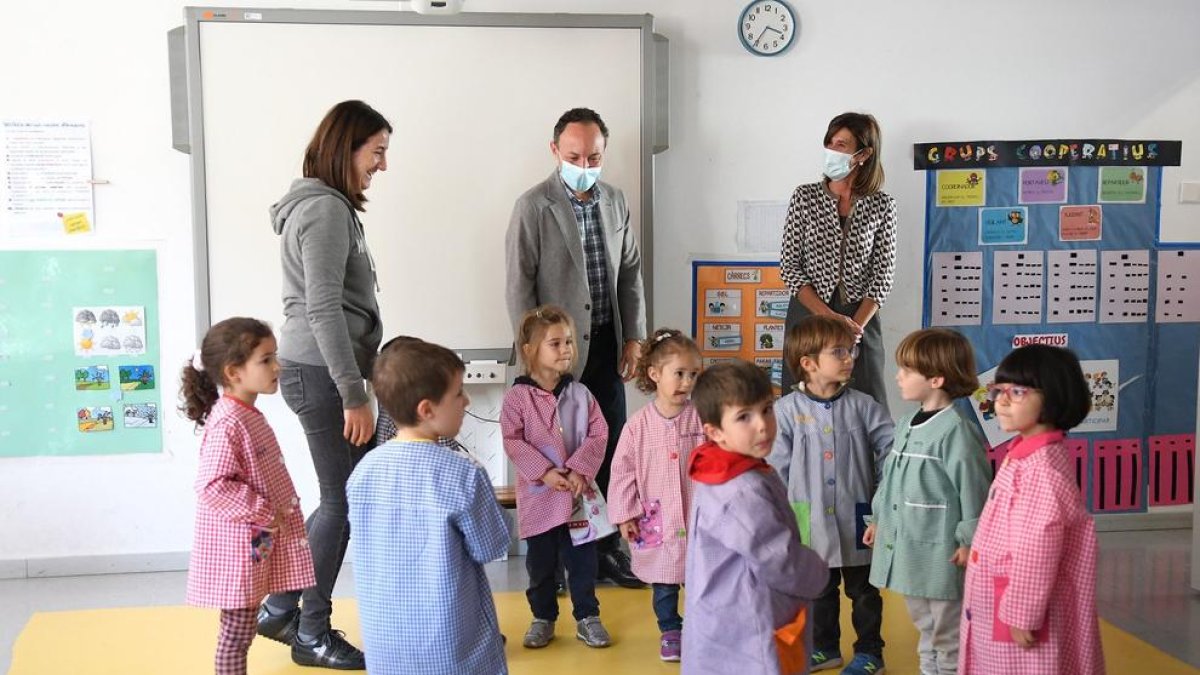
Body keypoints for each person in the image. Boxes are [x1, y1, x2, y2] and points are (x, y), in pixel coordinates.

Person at [258, 99, 392, 670]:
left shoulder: (323, 207)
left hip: (319, 371)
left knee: (338, 500)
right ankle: (311, 631)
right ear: (347, 148)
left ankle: (281, 605)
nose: (382, 165)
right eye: (377, 152)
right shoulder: (325, 212)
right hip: (323, 375)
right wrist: (353, 392)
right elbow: (323, 310)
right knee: (343, 502)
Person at [505, 107, 646, 588]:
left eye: (593, 156)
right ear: (554, 151)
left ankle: (606, 550)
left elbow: (630, 274)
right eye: (574, 155)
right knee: (554, 453)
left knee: (605, 448)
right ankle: (558, 557)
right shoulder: (532, 206)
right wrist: (533, 356)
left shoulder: (616, 200)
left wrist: (635, 337)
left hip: (606, 344)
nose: (584, 164)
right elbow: (518, 287)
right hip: (553, 354)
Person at [347, 339, 510, 675]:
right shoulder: (463, 473)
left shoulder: (362, 472)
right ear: (427, 409)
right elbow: (491, 546)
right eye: (458, 393)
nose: (466, 401)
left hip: (386, 645)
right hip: (452, 647)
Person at [181, 317, 316, 675]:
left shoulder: (246, 413)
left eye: (275, 356)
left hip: (255, 541)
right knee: (237, 633)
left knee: (241, 629)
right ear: (234, 372)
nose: (277, 366)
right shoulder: (229, 421)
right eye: (266, 359)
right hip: (242, 543)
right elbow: (213, 484)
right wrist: (263, 511)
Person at [959, 345, 1104, 674]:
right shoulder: (1024, 454)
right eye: (999, 390)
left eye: (1018, 391)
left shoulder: (1042, 471)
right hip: (1002, 599)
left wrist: (1022, 612)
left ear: (1052, 397)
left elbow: (1038, 546)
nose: (1002, 400)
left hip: (1020, 612)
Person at [682, 360, 828, 675]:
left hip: (722, 614)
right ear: (715, 432)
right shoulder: (740, 490)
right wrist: (817, 571)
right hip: (750, 622)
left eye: (767, 409)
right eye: (743, 417)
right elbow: (780, 560)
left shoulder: (720, 467)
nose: (762, 424)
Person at [768, 315, 894, 675]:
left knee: (864, 592)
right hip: (806, 519)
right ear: (808, 364)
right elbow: (775, 470)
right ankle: (825, 648)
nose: (849, 357)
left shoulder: (864, 405)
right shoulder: (787, 412)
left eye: (850, 349)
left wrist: (883, 498)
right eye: (838, 351)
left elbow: (891, 451)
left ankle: (870, 651)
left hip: (859, 516)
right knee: (818, 590)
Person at [863, 329, 992, 675]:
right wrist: (877, 519)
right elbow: (890, 480)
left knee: (947, 636)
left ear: (936, 378)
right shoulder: (906, 424)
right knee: (924, 628)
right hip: (910, 552)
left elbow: (975, 491)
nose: (898, 376)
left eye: (906, 370)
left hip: (942, 555)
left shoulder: (956, 431)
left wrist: (968, 541)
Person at [501, 305, 613, 650]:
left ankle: (588, 617)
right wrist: (545, 473)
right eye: (555, 343)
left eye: (568, 342)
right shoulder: (517, 399)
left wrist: (580, 469)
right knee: (541, 566)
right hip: (539, 498)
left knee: (582, 561)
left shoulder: (581, 395)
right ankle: (543, 617)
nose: (565, 349)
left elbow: (599, 434)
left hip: (577, 498)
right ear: (530, 350)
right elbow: (512, 440)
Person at [779, 112, 897, 415]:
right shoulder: (804, 197)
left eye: (841, 144)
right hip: (809, 315)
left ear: (864, 153)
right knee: (802, 404)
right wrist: (829, 318)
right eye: (829, 142)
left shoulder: (883, 205)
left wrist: (854, 327)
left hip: (860, 321)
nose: (832, 149)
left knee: (867, 405)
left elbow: (883, 274)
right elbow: (790, 266)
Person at [607, 329, 706, 662]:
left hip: (698, 515)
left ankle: (701, 628)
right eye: (679, 373)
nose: (687, 382)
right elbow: (622, 473)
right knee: (663, 582)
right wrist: (624, 514)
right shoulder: (637, 426)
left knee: (701, 578)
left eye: (693, 374)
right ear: (654, 373)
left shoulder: (702, 418)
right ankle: (670, 630)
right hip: (655, 518)